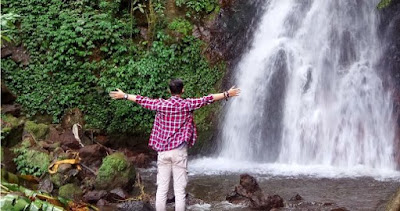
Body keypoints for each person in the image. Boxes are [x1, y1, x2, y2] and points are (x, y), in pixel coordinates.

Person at [109, 79, 240, 211]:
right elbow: (208, 99)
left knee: (161, 189)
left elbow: (142, 100)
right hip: (179, 152)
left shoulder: (161, 105)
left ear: (169, 91)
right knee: (179, 191)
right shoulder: (187, 104)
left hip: (163, 152)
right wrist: (227, 94)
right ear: (182, 90)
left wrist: (124, 95)